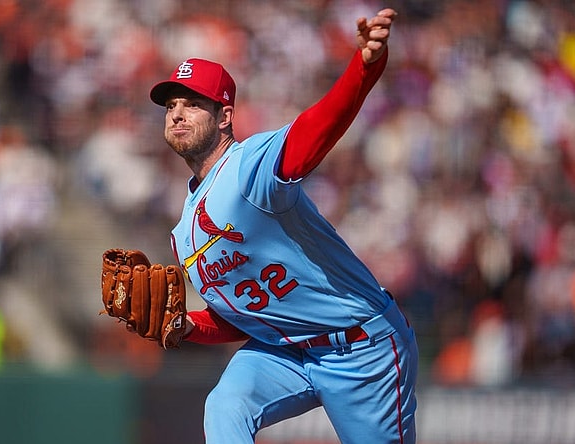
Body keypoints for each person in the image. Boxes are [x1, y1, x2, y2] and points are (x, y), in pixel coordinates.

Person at [148, 8, 416, 444]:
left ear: (224, 116)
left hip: (361, 348)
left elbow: (318, 128)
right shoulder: (182, 236)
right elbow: (244, 318)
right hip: (285, 350)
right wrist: (186, 325)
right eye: (171, 105)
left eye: (193, 103)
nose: (177, 113)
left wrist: (364, 67)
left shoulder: (247, 168)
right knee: (225, 404)